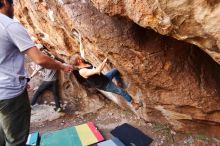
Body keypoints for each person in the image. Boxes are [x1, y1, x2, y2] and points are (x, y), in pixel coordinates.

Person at [0, 0, 73, 145]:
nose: (14, 7)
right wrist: (62, 66)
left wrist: (23, 78)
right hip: (9, 94)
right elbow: (40, 60)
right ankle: (43, 104)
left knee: (2, 136)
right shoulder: (9, 25)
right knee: (16, 141)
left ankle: (52, 105)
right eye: (12, 3)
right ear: (4, 2)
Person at [70, 29, 142, 110]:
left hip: (104, 78)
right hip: (104, 84)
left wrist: (79, 37)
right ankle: (134, 104)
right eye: (79, 57)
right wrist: (105, 60)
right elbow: (97, 70)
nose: (80, 56)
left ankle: (119, 83)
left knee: (115, 71)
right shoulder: (82, 71)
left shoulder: (83, 62)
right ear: (79, 61)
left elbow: (82, 50)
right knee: (122, 92)